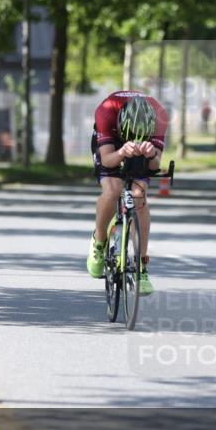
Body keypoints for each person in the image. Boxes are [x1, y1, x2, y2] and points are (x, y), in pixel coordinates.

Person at [86, 91, 168, 296]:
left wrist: (150, 154)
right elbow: (106, 161)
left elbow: (156, 164)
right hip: (111, 146)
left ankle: (142, 267)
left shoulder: (159, 115)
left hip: (142, 150)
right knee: (113, 190)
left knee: (139, 195)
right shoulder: (105, 112)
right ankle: (99, 240)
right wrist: (122, 152)